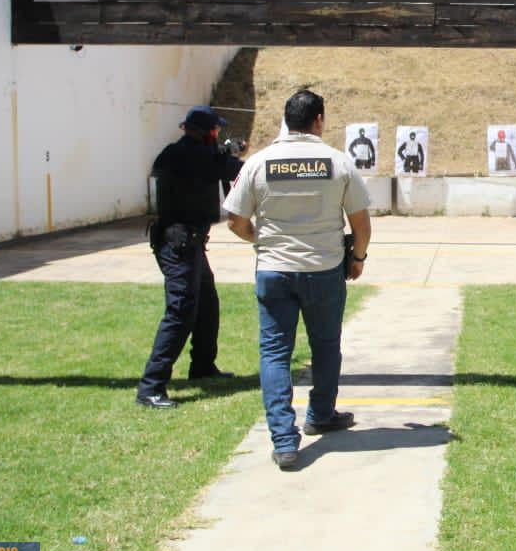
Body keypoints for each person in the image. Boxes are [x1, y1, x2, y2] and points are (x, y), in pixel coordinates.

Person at [224, 90, 372, 470]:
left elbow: (236, 222)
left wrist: (263, 241)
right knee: (325, 346)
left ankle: (284, 441)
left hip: (273, 270)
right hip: (323, 270)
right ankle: (320, 414)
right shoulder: (338, 163)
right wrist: (357, 258)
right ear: (319, 120)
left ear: (286, 120)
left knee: (275, 353)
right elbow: (361, 224)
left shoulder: (258, 162)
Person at [136, 106, 245, 409]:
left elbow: (212, 164)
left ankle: (202, 366)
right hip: (179, 243)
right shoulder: (194, 156)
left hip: (187, 242)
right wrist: (227, 155)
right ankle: (151, 386)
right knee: (181, 311)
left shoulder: (178, 153)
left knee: (207, 303)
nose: (218, 136)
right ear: (205, 132)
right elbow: (236, 169)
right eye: (215, 132)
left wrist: (222, 153)